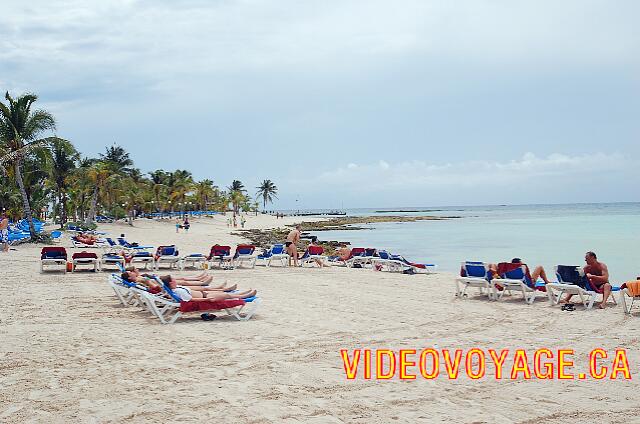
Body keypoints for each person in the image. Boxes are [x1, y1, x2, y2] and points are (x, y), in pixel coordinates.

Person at [163, 277, 257, 302]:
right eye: (173, 280)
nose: (175, 280)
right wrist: (206, 299)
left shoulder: (175, 289)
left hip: (203, 293)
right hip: (205, 297)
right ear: (171, 283)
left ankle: (242, 293)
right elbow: (191, 300)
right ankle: (245, 296)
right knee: (227, 295)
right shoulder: (178, 291)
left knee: (221, 292)